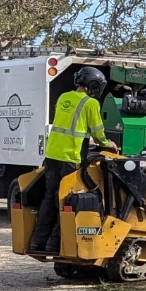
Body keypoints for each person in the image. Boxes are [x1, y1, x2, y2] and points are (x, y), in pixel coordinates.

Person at [28, 67, 114, 254]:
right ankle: (55, 244)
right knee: (68, 200)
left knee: (50, 197)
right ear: (93, 85)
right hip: (71, 157)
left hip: (52, 155)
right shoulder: (90, 103)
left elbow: (69, 125)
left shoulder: (63, 97)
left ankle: (38, 241)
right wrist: (108, 144)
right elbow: (97, 131)